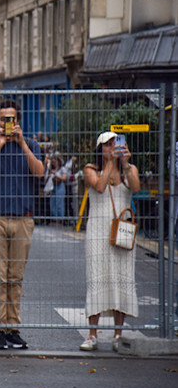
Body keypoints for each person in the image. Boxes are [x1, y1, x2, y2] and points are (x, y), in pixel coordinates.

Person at [0, 99, 44, 350]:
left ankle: (13, 327)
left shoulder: (31, 145)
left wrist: (22, 143)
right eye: (4, 119)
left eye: (11, 119)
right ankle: (0, 329)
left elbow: (40, 172)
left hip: (23, 217)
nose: (8, 123)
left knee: (16, 276)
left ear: (18, 121)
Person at [79, 132, 141, 351]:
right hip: (98, 232)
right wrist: (109, 163)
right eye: (107, 145)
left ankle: (118, 334)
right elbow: (99, 186)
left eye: (116, 144)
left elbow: (136, 188)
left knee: (122, 278)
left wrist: (124, 164)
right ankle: (92, 334)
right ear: (100, 149)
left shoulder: (129, 169)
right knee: (96, 278)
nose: (112, 148)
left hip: (121, 233)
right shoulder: (90, 169)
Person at [47, 154, 69, 224]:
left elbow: (64, 178)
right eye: (52, 162)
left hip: (60, 187)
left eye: (54, 162)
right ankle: (55, 218)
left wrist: (56, 174)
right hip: (53, 187)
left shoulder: (62, 169)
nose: (53, 164)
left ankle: (60, 219)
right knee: (52, 204)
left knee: (59, 204)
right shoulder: (51, 169)